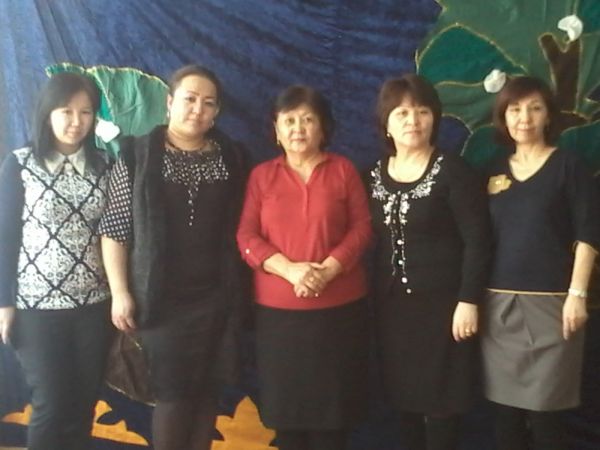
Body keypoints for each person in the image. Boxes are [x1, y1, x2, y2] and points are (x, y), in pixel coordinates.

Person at [99, 64, 247, 450]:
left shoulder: (233, 158)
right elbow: (115, 229)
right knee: (173, 395)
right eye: (189, 99)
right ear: (169, 103)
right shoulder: (136, 155)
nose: (198, 109)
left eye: (208, 103)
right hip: (160, 301)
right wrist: (120, 292)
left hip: (217, 299)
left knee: (208, 393)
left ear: (217, 112)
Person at [236, 85, 372, 450]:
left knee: (334, 423)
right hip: (279, 321)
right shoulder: (261, 176)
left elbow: (362, 228)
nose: (298, 128)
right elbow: (246, 235)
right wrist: (291, 270)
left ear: (323, 128)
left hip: (338, 316)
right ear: (276, 130)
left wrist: (328, 270)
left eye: (308, 119)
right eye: (290, 120)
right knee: (288, 423)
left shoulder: (343, 170)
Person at [365, 74, 491, 450]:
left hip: (446, 310)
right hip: (393, 312)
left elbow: (478, 240)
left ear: (434, 118)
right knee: (404, 403)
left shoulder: (453, 170)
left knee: (442, 407)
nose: (413, 121)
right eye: (402, 113)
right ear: (386, 123)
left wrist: (469, 300)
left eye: (422, 111)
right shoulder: (371, 175)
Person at [480, 75, 599, 450]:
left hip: (554, 310)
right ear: (503, 116)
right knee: (506, 421)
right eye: (515, 109)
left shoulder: (569, 166)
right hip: (499, 311)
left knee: (548, 421)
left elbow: (589, 233)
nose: (524, 118)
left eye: (534, 108)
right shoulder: (490, 170)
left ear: (548, 115)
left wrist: (577, 294)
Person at [0, 72, 112, 450]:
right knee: (51, 403)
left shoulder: (105, 164)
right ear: (47, 112)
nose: (76, 121)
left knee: (83, 403)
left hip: (94, 306)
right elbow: (4, 235)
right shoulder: (20, 164)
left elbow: (116, 234)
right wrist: (3, 301)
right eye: (66, 110)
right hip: (36, 308)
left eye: (86, 112)